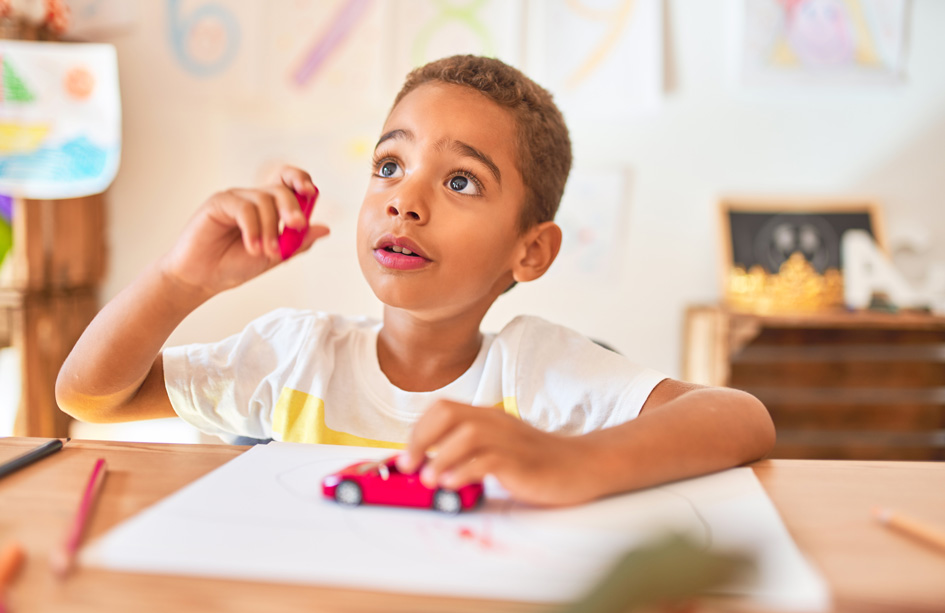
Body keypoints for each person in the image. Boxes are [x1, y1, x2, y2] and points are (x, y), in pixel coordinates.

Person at [56, 55, 774, 507]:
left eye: (460, 179)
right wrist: (181, 280)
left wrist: (572, 462)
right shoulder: (295, 354)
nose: (404, 199)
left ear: (529, 252)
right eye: (389, 166)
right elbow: (89, 395)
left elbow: (742, 416)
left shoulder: (534, 367)